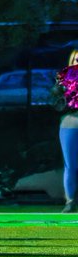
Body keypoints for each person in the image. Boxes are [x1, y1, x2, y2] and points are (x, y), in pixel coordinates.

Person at [56, 50, 78, 213]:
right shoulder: (64, 78)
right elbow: (55, 102)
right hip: (70, 123)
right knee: (70, 164)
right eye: (76, 60)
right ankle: (70, 201)